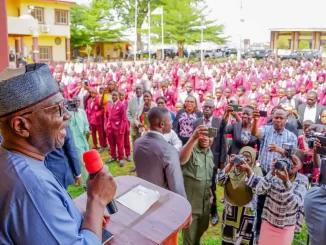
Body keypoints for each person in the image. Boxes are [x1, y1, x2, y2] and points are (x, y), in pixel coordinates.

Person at [0, 63, 116, 244]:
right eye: (57, 110)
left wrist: (84, 219)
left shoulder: (12, 159)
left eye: (66, 105)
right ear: (21, 126)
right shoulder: (33, 188)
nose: (68, 115)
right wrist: (97, 201)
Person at [251, 108, 298, 242]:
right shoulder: (267, 129)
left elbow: (293, 158)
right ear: (272, 118)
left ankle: (274, 234)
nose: (278, 120)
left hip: (281, 177)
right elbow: (255, 132)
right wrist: (255, 120)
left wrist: (280, 150)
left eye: (281, 118)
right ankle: (258, 235)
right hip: (266, 174)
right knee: (260, 203)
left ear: (285, 120)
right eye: (276, 117)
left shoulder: (291, 136)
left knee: (275, 206)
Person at [247, 151, 308, 245]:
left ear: (301, 166)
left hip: (285, 228)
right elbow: (259, 190)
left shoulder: (303, 180)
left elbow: (294, 203)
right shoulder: (276, 174)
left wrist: (286, 182)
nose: (290, 165)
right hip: (268, 223)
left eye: (294, 163)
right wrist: (270, 173)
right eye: (289, 160)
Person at [133, 107, 186, 197]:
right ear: (162, 124)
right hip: (161, 200)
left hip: (142, 194)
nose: (172, 122)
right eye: (170, 120)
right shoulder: (168, 150)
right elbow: (177, 187)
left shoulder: (137, 143)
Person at [217, 146, 263, 245]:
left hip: (247, 213)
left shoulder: (256, 170)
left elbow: (260, 188)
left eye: (248, 157)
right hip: (231, 212)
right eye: (243, 156)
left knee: (245, 241)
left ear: (253, 158)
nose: (245, 159)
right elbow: (219, 181)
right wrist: (229, 165)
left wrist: (248, 171)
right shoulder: (233, 169)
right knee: (228, 240)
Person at [193, 99, 227, 226]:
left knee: (211, 186)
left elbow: (223, 143)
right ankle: (201, 210)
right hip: (198, 158)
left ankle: (214, 212)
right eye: (205, 107)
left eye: (210, 107)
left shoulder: (218, 122)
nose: (207, 109)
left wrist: (222, 161)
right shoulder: (196, 122)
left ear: (213, 109)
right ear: (202, 108)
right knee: (199, 185)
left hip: (212, 160)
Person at [179, 125, 212, 245]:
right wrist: (193, 138)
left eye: (208, 135)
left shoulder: (209, 152)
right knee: (189, 240)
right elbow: (180, 159)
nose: (205, 138)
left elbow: (207, 176)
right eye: (202, 135)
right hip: (192, 206)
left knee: (199, 234)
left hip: (205, 205)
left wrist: (211, 195)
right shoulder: (190, 149)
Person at [45, 125, 82, 189]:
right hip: (60, 170)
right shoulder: (61, 122)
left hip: (41, 170)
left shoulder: (32, 122)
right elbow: (70, 148)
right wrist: (77, 173)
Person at [69, 96, 90, 187]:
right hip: (75, 141)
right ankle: (85, 183)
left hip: (84, 140)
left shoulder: (82, 112)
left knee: (87, 160)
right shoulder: (69, 114)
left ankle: (88, 178)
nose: (77, 102)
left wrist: (87, 130)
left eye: (78, 101)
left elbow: (86, 124)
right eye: (75, 101)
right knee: (82, 161)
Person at [104, 90, 127, 167]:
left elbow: (124, 119)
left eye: (115, 95)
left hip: (118, 127)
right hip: (110, 127)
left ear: (118, 96)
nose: (114, 97)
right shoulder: (109, 104)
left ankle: (121, 158)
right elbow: (107, 116)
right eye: (113, 95)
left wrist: (122, 129)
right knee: (111, 143)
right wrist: (106, 125)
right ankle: (113, 156)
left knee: (120, 143)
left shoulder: (122, 105)